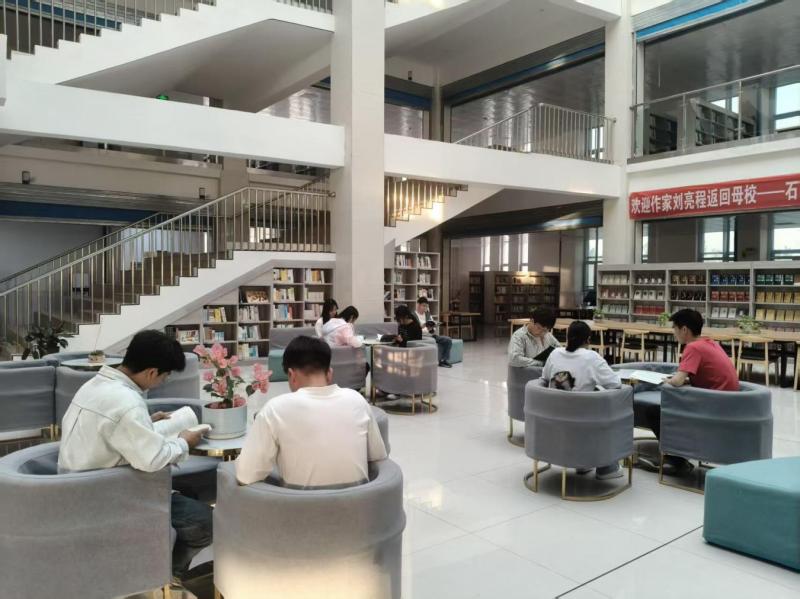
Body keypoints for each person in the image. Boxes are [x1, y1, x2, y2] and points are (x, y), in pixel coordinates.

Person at [57, 330, 211, 586]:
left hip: (77, 486)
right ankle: (161, 575)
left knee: (188, 491)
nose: (162, 381)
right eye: (164, 376)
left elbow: (111, 430)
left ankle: (159, 566)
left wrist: (146, 423)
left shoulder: (96, 384)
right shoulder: (127, 402)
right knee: (205, 523)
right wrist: (185, 441)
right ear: (152, 372)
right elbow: (153, 459)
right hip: (104, 496)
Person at [235, 336, 387, 488]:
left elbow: (246, 474)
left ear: (291, 375)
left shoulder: (275, 409)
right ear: (329, 373)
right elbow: (378, 456)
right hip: (359, 501)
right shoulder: (357, 400)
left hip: (297, 502)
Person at [636, 308, 740, 475]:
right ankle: (677, 454)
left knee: (654, 412)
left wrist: (668, 380)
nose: (673, 332)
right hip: (727, 406)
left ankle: (676, 461)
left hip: (712, 409)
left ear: (684, 329)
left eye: (674, 328)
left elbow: (677, 381)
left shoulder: (693, 347)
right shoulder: (711, 343)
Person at [539, 320, 624, 480]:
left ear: (567, 336)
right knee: (607, 406)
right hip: (581, 422)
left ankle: (583, 462)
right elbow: (615, 383)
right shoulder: (591, 357)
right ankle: (606, 467)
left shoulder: (555, 354)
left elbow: (544, 378)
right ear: (588, 340)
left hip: (552, 418)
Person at [413, 297, 453, 368]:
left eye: (426, 306)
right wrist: (423, 327)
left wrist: (432, 329)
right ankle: (436, 361)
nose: (425, 308)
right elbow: (414, 330)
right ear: (418, 305)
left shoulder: (428, 314)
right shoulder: (413, 316)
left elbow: (433, 329)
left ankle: (444, 360)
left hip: (431, 336)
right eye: (423, 306)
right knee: (432, 341)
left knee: (448, 340)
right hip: (421, 337)